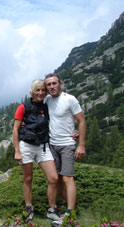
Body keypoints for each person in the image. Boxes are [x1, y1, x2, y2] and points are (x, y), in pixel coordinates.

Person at [12, 79, 61, 221]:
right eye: (38, 90)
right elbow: (15, 129)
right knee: (28, 179)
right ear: (32, 91)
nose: (41, 93)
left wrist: (71, 132)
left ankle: (52, 209)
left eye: (43, 90)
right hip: (26, 146)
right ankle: (28, 208)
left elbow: (57, 121)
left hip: (42, 146)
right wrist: (17, 150)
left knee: (53, 178)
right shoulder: (23, 107)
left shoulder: (46, 107)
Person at [44, 73, 86, 225]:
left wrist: (81, 144)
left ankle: (70, 213)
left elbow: (81, 121)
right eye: (48, 85)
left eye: (54, 83)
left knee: (68, 177)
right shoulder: (47, 100)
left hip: (67, 144)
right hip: (52, 145)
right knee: (58, 178)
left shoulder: (70, 99)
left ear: (60, 83)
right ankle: (62, 206)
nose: (52, 87)